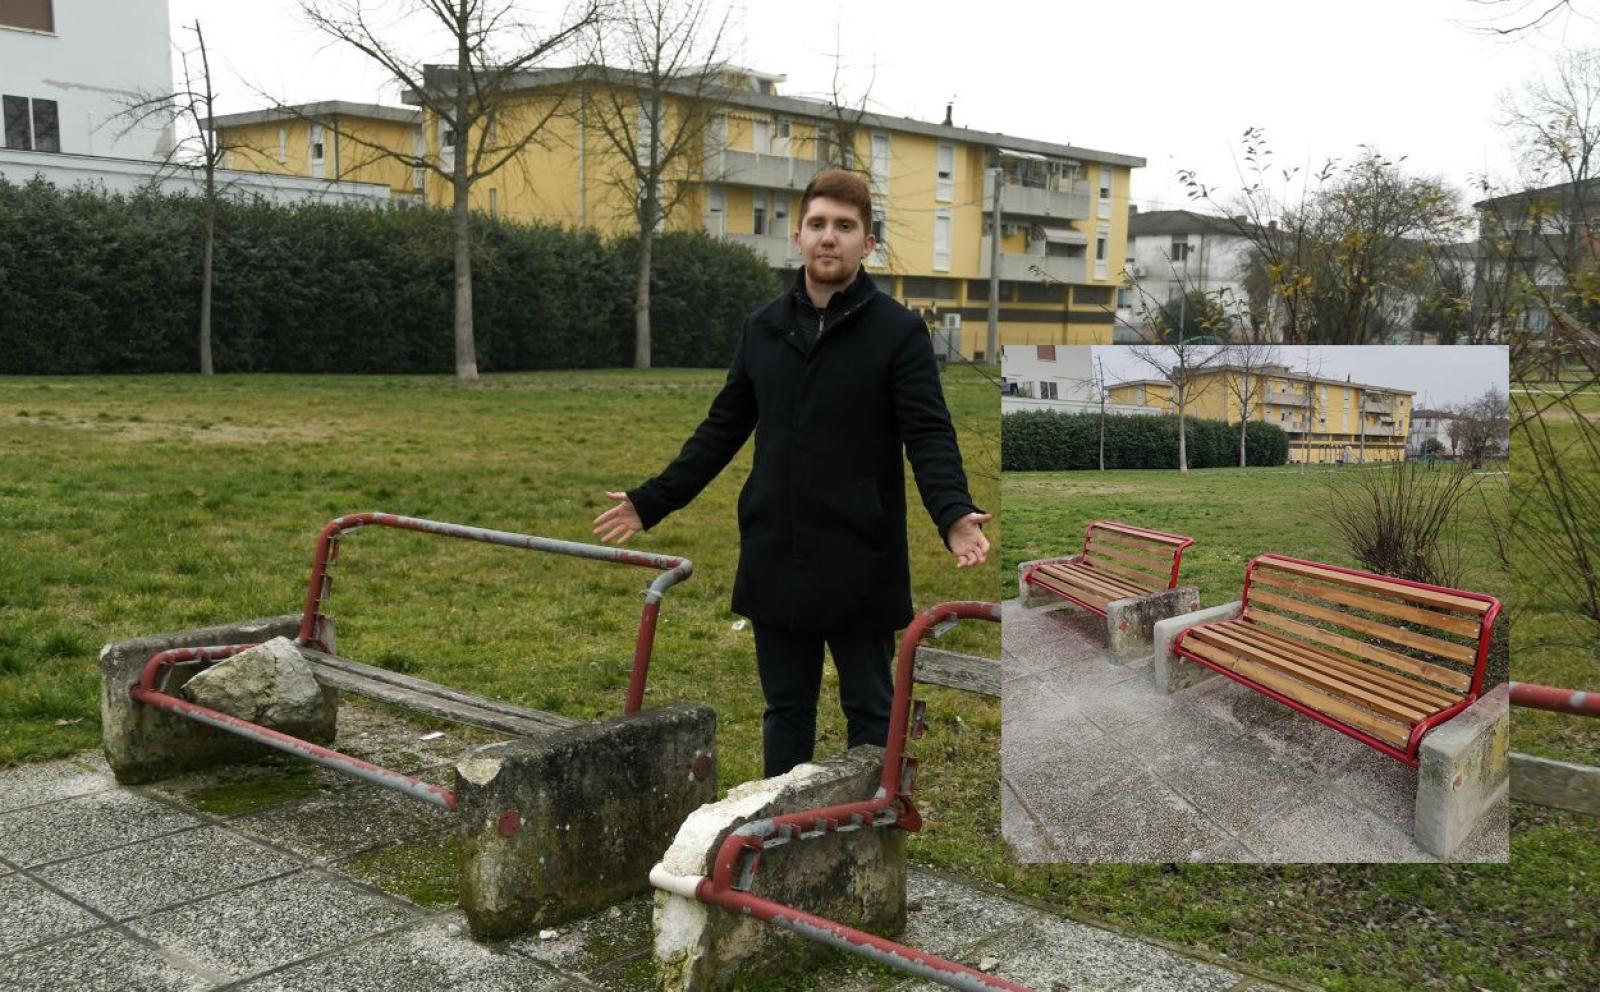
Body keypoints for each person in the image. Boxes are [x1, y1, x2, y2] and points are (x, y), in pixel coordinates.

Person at [594, 168, 990, 777]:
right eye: (818, 224)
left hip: (860, 552)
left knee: (870, 711)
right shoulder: (763, 328)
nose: (829, 237)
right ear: (799, 237)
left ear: (867, 243)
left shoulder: (898, 332)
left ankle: (868, 827)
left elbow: (929, 433)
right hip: (775, 547)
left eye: (845, 226)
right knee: (786, 709)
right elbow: (722, 429)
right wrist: (652, 501)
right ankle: (778, 836)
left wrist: (954, 514)